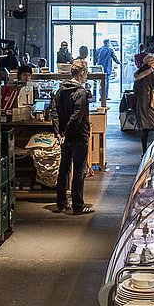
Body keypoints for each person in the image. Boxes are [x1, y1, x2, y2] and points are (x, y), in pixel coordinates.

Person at [51, 59, 95, 215]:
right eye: (86, 73)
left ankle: (61, 202)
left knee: (63, 170)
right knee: (78, 172)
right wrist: (65, 133)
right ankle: (78, 205)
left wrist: (59, 132)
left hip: (64, 138)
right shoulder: (81, 93)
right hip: (78, 137)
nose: (87, 76)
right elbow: (77, 117)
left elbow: (54, 112)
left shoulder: (60, 90)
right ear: (82, 73)